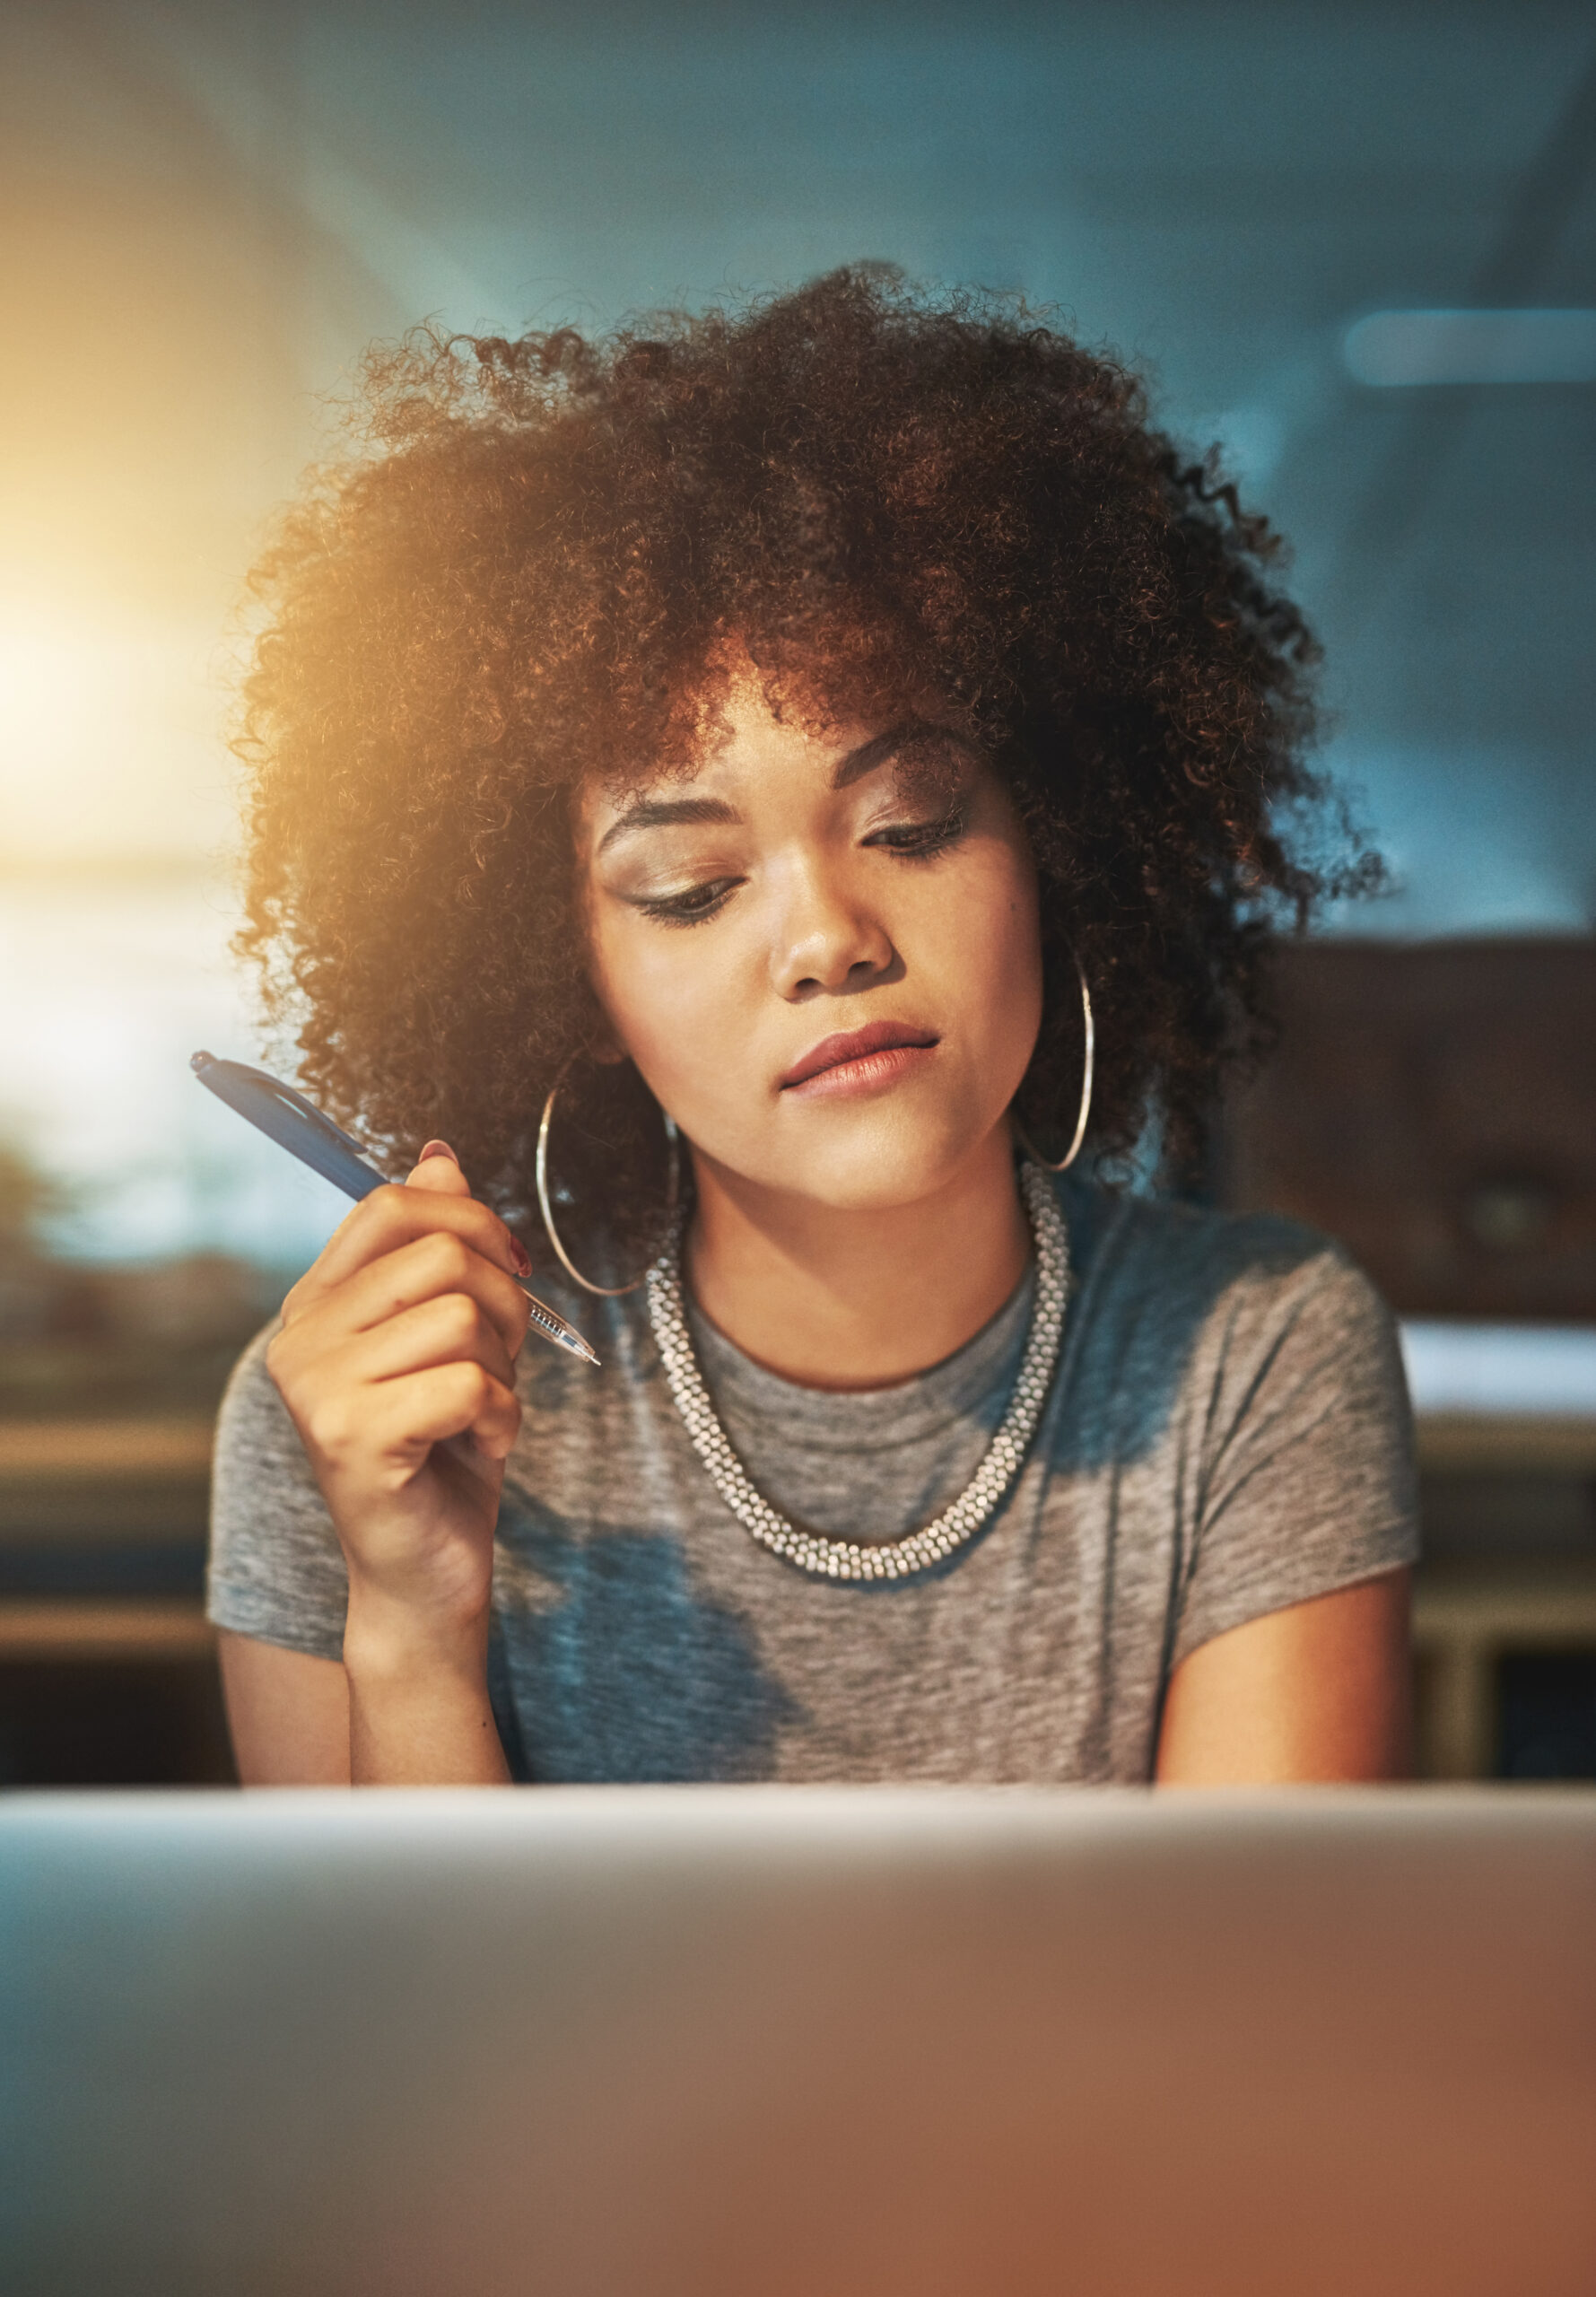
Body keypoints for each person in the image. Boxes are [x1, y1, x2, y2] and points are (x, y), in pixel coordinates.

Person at [211, 268, 1416, 1787]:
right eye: (692, 886)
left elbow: (1258, 2009)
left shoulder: (1255, 1351)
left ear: (1059, 850)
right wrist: (409, 1615)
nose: (831, 941)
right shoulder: (362, 1418)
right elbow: (389, 2029)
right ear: (562, 973)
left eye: (912, 825)